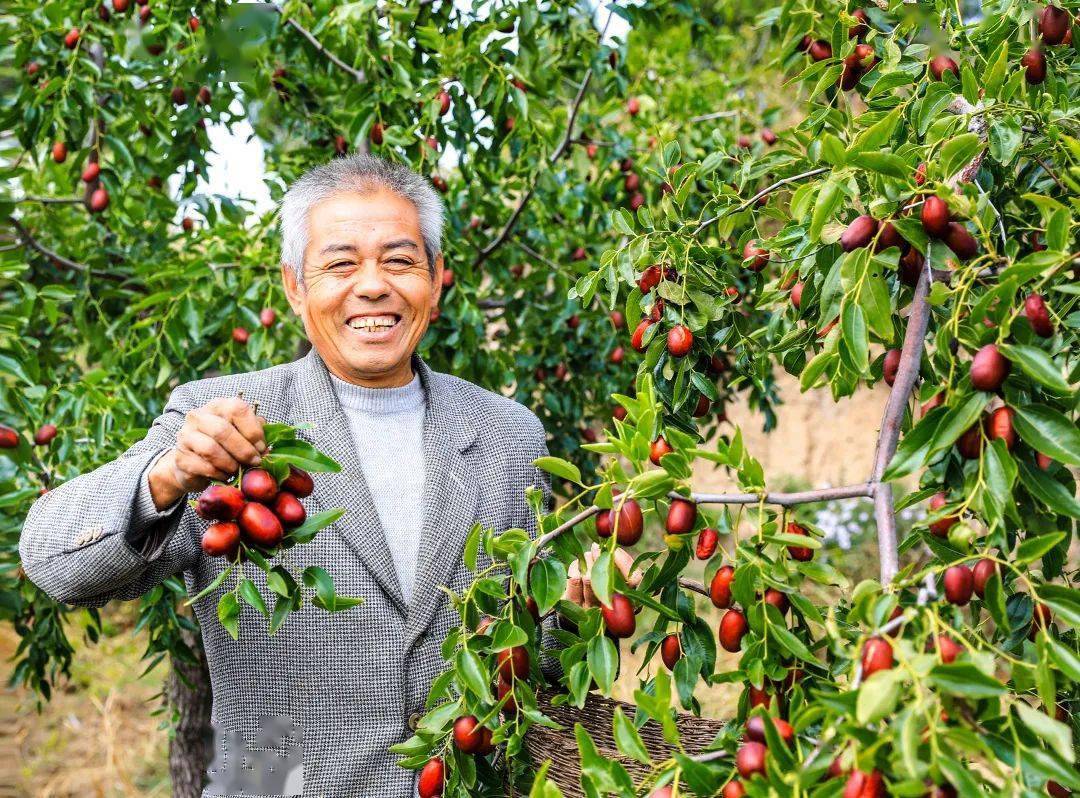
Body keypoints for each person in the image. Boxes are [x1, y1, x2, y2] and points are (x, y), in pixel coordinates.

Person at [19, 154, 636, 798]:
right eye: (340, 264)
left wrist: (570, 620)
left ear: (437, 277)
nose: (372, 286)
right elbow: (51, 561)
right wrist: (167, 475)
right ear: (294, 286)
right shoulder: (225, 423)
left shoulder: (509, 434)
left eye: (399, 260)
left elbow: (530, 670)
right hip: (267, 780)